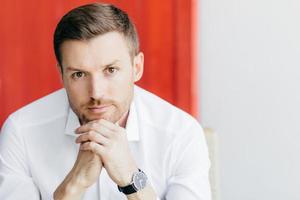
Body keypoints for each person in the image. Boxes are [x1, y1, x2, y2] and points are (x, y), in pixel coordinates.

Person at [0, 3, 211, 200]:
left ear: (136, 67)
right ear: (61, 74)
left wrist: (131, 178)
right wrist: (75, 184)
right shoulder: (21, 131)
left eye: (111, 70)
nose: (96, 93)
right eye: (79, 74)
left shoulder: (181, 133)